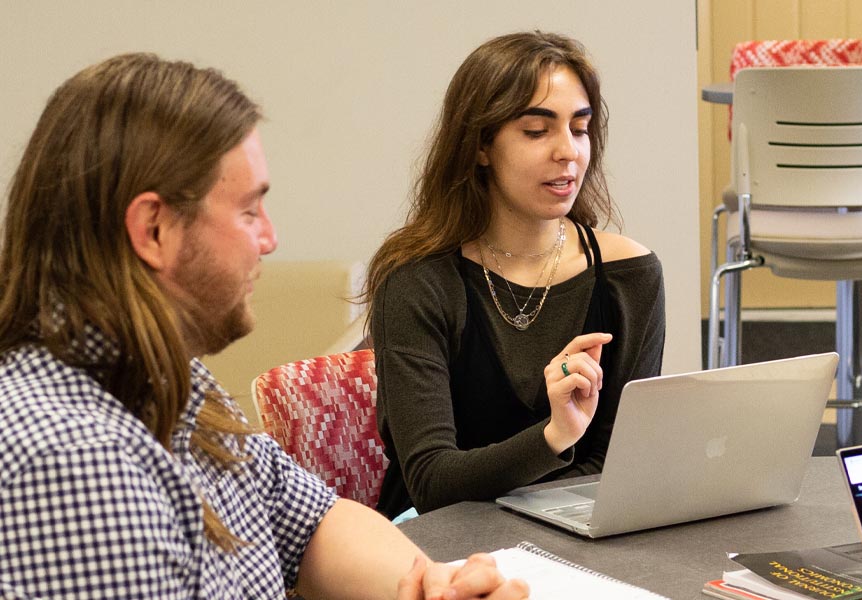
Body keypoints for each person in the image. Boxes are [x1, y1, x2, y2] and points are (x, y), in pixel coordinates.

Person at [0, 54, 524, 598]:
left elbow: (312, 522)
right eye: (249, 211)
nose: (269, 238)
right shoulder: (75, 462)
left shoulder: (170, 383)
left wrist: (425, 588)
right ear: (154, 230)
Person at [365, 31, 666, 518]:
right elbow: (431, 483)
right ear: (481, 146)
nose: (568, 151)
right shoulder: (416, 281)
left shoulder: (630, 275)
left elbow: (615, 465)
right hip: (438, 544)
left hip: (575, 533)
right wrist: (554, 437)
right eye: (536, 131)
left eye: (580, 128)